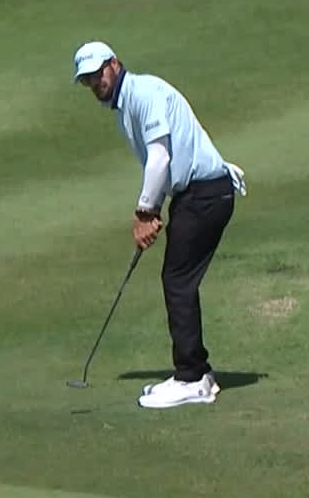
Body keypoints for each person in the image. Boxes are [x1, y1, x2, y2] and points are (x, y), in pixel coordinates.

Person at [72, 40, 246, 409]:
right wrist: (157, 207)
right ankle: (195, 372)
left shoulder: (144, 92)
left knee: (177, 281)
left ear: (114, 64)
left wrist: (145, 212)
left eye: (97, 74)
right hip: (194, 195)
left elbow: (160, 157)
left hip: (206, 193)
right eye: (87, 80)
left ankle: (192, 378)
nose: (95, 84)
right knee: (178, 279)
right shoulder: (124, 104)